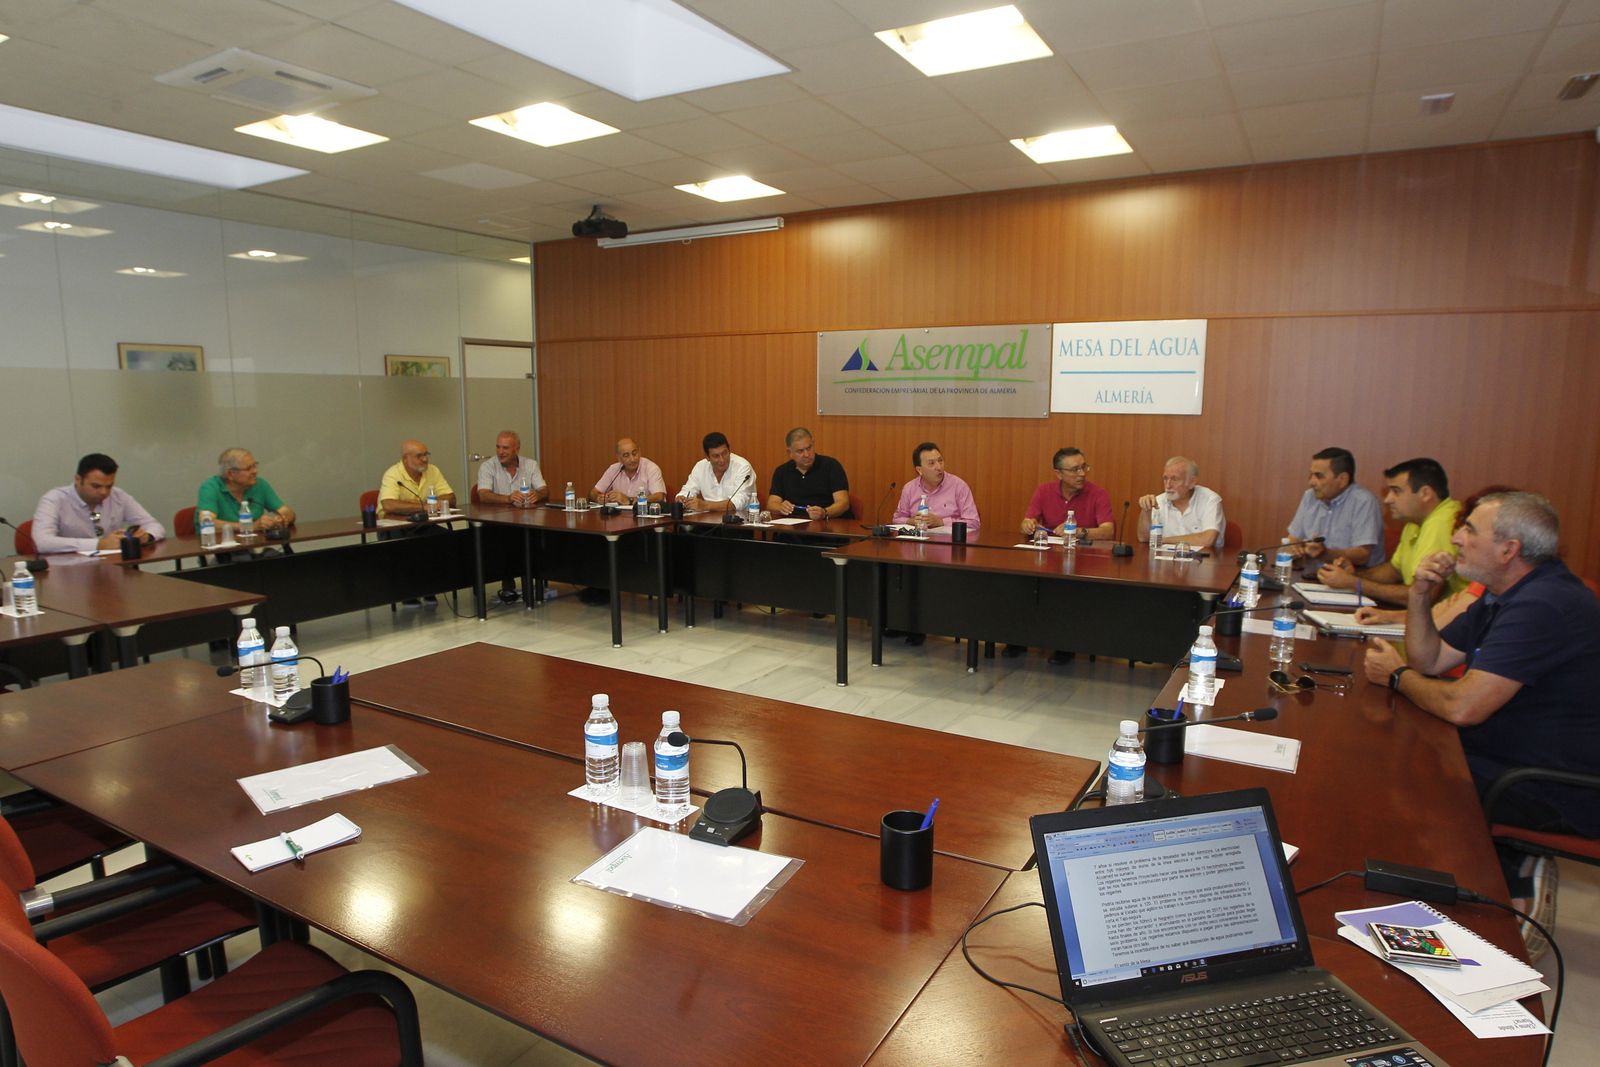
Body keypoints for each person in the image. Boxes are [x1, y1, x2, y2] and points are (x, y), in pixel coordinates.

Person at [1361, 492, 1600, 843]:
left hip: (1545, 786)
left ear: (1509, 550)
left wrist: (1397, 677)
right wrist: (1419, 595)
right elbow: (1429, 659)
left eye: (1470, 530)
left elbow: (1462, 707)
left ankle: (1484, 886)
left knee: (1385, 785)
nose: (1457, 538)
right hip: (1501, 759)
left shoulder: (1543, 604)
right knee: (1377, 756)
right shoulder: (1504, 594)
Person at [1319, 457, 1465, 606]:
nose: (1388, 499)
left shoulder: (1442, 523)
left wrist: (1354, 583)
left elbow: (1423, 596)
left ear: (1425, 493)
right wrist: (1353, 574)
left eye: (1396, 491)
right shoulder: (1416, 521)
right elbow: (1394, 570)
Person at [32, 453, 165, 554]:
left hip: (114, 569)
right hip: (71, 574)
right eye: (96, 486)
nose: (103, 492)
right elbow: (42, 542)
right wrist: (99, 545)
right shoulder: (54, 500)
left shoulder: (118, 496)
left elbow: (155, 526)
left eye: (109, 486)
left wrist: (146, 537)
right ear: (78, 479)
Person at [1284, 446, 1384, 568]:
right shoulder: (1310, 496)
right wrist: (1295, 548)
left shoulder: (1364, 502)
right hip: (1311, 577)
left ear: (1342, 480)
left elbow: (1363, 554)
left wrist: (1325, 554)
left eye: (1319, 476)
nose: (1311, 482)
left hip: (1356, 579)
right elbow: (1293, 537)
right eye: (1311, 475)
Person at [1019, 448, 1113, 541]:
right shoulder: (1043, 491)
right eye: (1075, 470)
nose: (1082, 474)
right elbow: (1027, 522)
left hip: (1085, 552)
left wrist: (1078, 532)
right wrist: (1027, 526)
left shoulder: (1098, 494)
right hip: (1050, 551)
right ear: (1059, 474)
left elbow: (1108, 531)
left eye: (1083, 467)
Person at [1136, 456, 1225, 549]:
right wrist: (1146, 511)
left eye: (1174, 479)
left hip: (1204, 560)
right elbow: (1144, 538)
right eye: (1165, 478)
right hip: (1166, 561)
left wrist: (1162, 540)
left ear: (1192, 482)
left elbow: (1208, 539)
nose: (1168, 485)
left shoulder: (1209, 500)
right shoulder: (1158, 502)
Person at [198, 448, 296, 530]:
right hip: (221, 547)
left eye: (255, 466)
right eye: (249, 468)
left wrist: (281, 519)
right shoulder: (210, 487)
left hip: (255, 544)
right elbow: (207, 522)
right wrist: (250, 526)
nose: (255, 471)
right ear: (230, 474)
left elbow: (287, 512)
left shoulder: (260, 484)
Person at [892, 442, 980, 533]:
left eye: (940, 460)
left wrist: (941, 522)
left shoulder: (959, 486)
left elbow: (974, 523)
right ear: (919, 470)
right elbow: (897, 519)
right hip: (917, 543)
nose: (939, 467)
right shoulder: (909, 489)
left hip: (949, 544)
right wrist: (911, 521)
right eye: (931, 463)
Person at [767, 427, 850, 520]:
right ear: (789, 452)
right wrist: (780, 507)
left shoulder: (831, 466)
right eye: (800, 451)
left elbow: (843, 503)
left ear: (813, 444)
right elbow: (771, 504)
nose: (806, 454)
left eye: (809, 448)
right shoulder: (782, 471)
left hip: (826, 525)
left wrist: (825, 512)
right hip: (793, 527)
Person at [677, 432, 756, 514]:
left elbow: (738, 502)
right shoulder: (700, 467)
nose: (722, 460)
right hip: (707, 521)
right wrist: (682, 498)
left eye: (724, 453)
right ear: (707, 457)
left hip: (738, 522)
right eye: (716, 456)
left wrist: (705, 506)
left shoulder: (743, 467)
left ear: (729, 450)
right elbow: (688, 490)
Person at [379, 440, 456, 519]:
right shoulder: (392, 474)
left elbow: (451, 498)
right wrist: (424, 506)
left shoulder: (432, 470)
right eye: (419, 456)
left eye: (426, 454)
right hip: (395, 524)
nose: (425, 459)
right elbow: (389, 505)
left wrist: (424, 504)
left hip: (423, 521)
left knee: (453, 532)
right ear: (405, 459)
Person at [477, 431, 546, 508]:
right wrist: (507, 498)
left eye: (505, 448)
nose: (500, 452)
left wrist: (537, 495)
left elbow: (544, 491)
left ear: (517, 450)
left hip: (525, 516)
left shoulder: (531, 465)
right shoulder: (487, 466)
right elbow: (483, 495)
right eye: (498, 447)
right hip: (497, 516)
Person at [592, 438, 666, 505]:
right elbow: (593, 493)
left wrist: (629, 500)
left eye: (634, 453)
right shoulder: (613, 469)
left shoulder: (651, 468)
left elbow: (659, 497)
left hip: (643, 516)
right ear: (619, 458)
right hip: (619, 517)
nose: (632, 459)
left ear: (639, 452)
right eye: (626, 455)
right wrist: (599, 498)